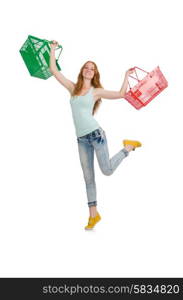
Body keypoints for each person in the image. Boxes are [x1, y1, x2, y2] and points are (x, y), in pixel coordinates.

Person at [49, 40, 142, 230]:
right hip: (81, 139)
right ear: (82, 70)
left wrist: (125, 75)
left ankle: (128, 147)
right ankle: (93, 216)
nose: (89, 70)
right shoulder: (72, 88)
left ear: (95, 73)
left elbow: (121, 94)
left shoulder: (96, 91)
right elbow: (54, 70)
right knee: (88, 178)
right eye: (86, 67)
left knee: (106, 170)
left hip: (96, 135)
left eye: (92, 68)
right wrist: (52, 50)